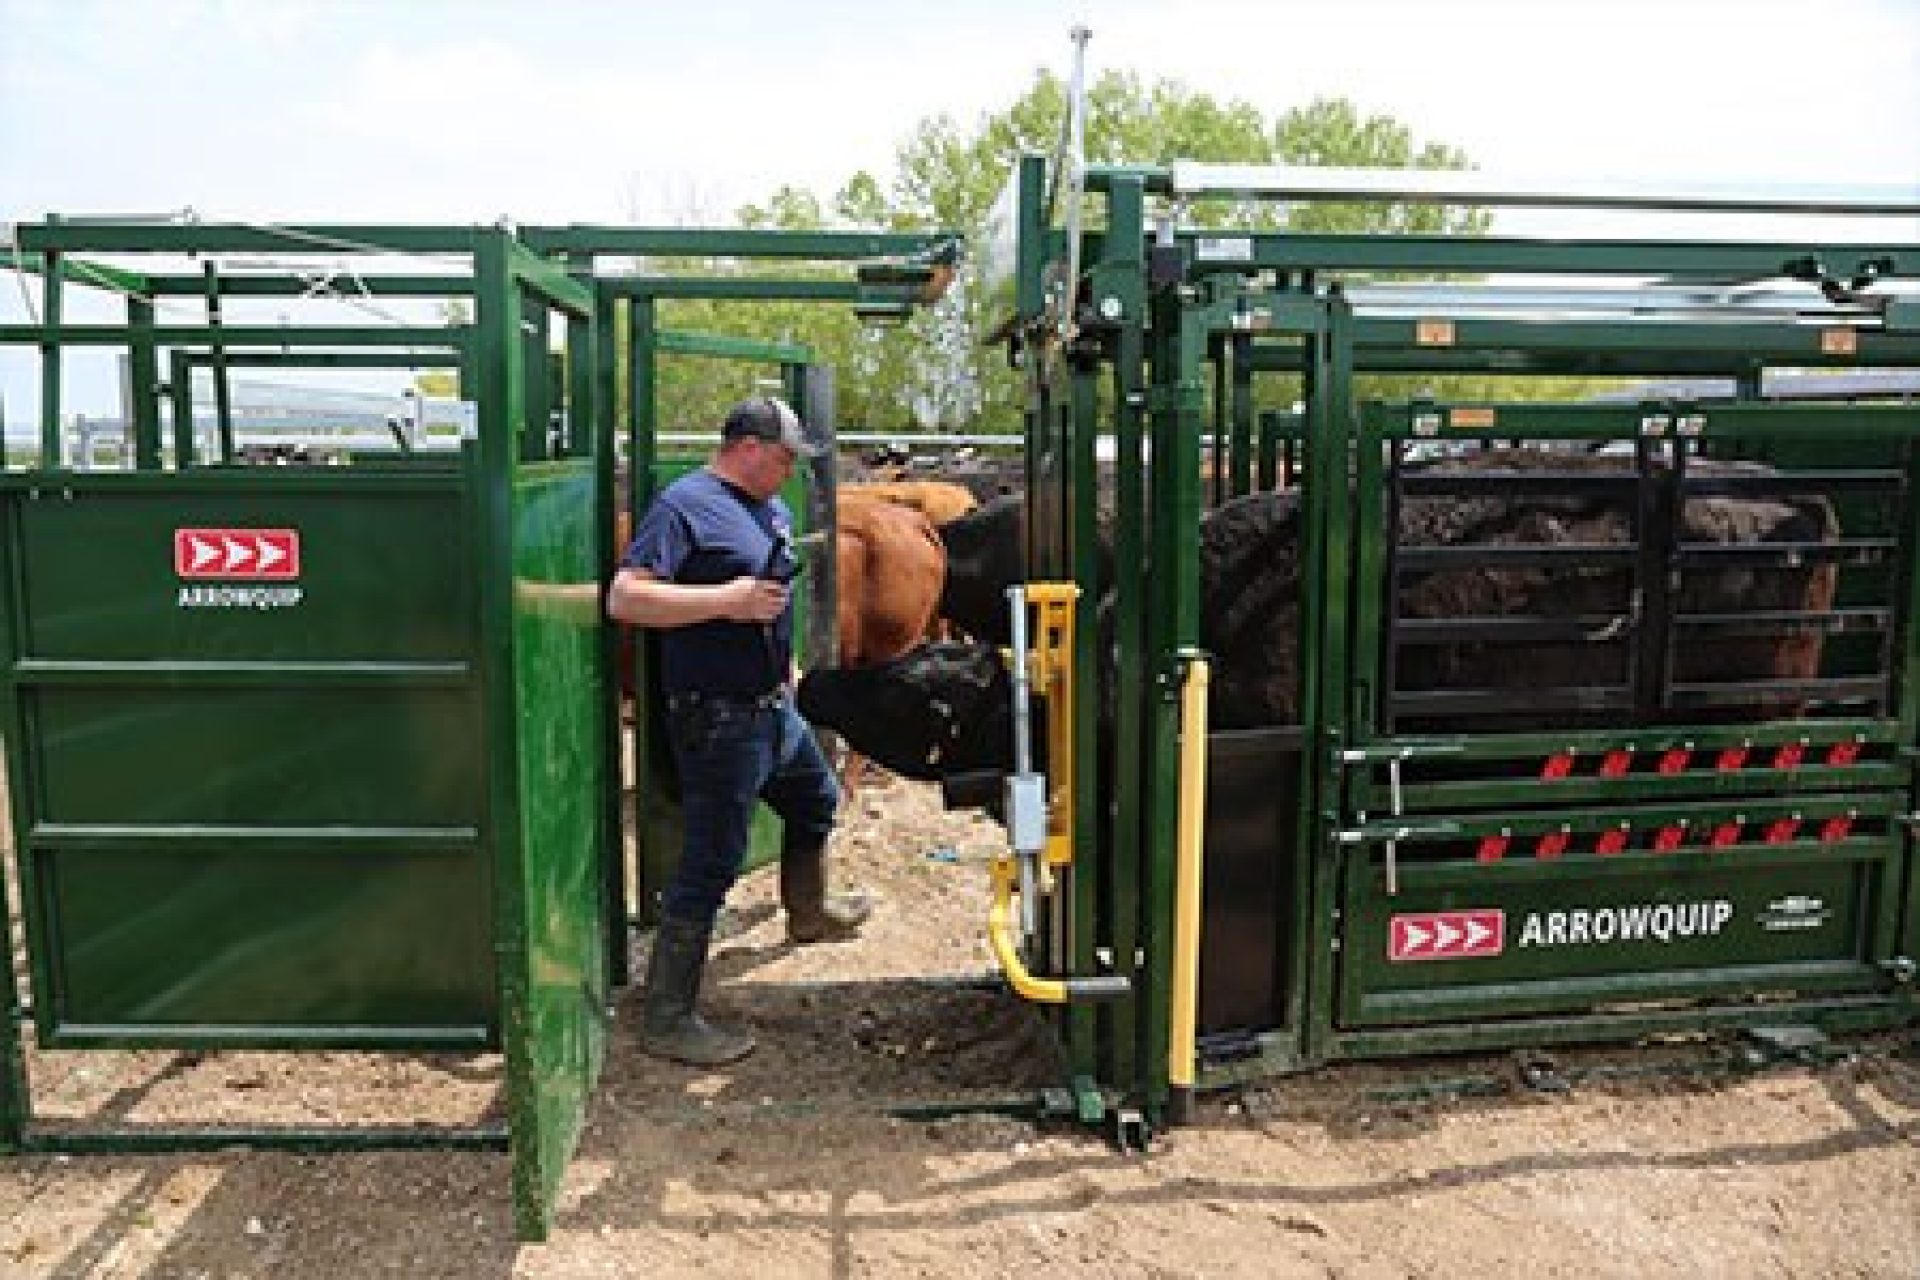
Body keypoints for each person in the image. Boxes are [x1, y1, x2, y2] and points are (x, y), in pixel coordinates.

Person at [607, 395, 869, 1067]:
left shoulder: (767, 506)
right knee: (711, 864)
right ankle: (667, 1018)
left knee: (816, 801)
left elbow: (769, 589)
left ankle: (808, 913)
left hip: (770, 706)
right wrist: (728, 602)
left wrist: (781, 656)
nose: (789, 473)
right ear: (747, 448)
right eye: (783, 459)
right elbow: (626, 596)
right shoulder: (683, 505)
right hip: (718, 716)